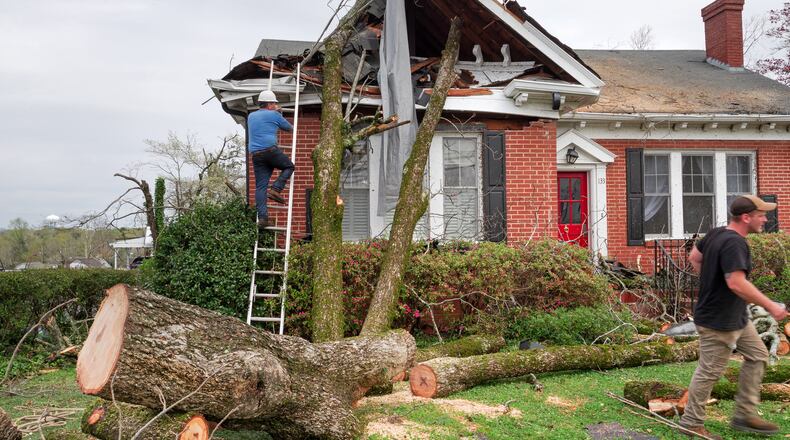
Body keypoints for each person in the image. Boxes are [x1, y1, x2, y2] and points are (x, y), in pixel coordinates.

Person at [679, 195, 788, 439]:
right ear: (746, 217)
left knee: (758, 356)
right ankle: (691, 422)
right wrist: (771, 306)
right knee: (710, 371)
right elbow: (736, 282)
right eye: (761, 215)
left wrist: (711, 281)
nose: (765, 219)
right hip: (719, 320)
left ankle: (744, 415)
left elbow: (694, 258)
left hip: (736, 315)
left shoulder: (717, 233)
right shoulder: (735, 243)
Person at [248, 90, 294, 228]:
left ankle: (263, 218)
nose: (275, 105)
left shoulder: (251, 116)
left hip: (256, 155)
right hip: (270, 151)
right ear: (269, 104)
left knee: (260, 187)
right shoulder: (274, 114)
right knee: (289, 166)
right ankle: (276, 189)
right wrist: (279, 114)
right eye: (274, 103)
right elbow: (289, 128)